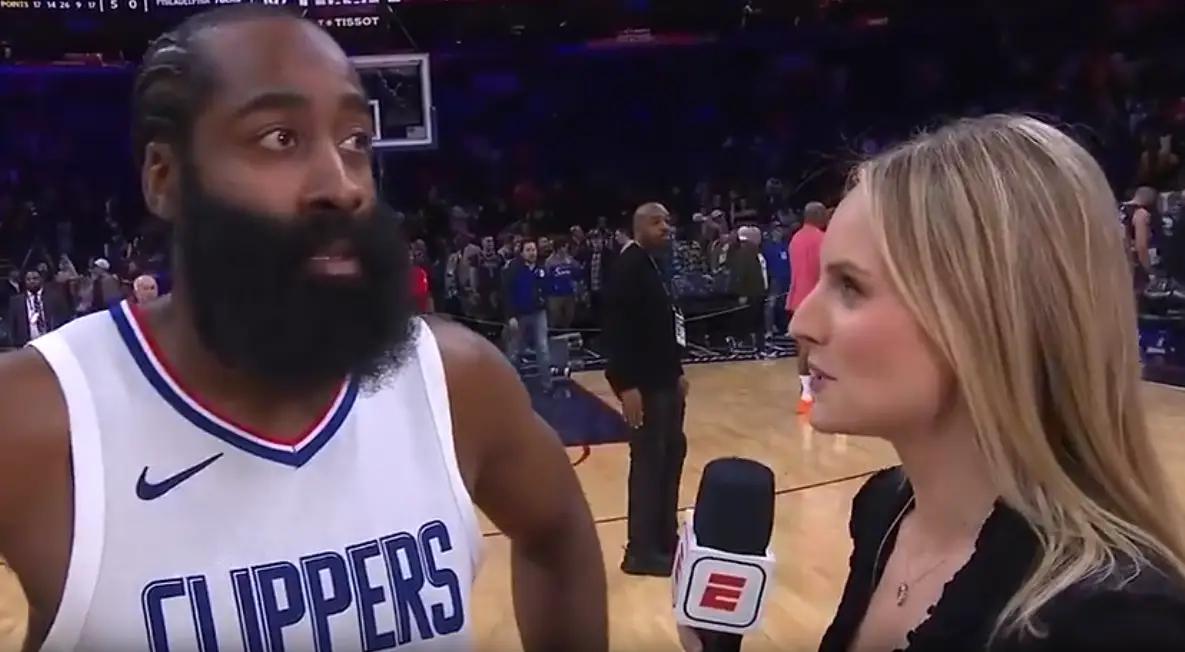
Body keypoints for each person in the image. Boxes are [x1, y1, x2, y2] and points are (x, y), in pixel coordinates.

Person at [0, 7, 607, 651]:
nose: (343, 186)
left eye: (355, 141)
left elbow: (558, 532)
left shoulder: (455, 380)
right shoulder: (38, 418)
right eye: (279, 138)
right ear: (164, 177)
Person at [794, 115, 1185, 651]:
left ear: (983, 317)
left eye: (850, 287)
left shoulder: (1117, 622)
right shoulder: (882, 511)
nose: (802, 323)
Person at [604, 202, 688, 577]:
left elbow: (661, 326)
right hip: (645, 387)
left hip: (664, 381)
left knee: (670, 457)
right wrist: (625, 386)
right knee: (648, 466)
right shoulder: (628, 268)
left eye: (667, 221)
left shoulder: (653, 264)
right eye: (657, 222)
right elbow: (617, 333)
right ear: (639, 228)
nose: (665, 227)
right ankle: (640, 550)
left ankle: (664, 538)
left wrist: (677, 371)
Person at [786, 201, 827, 413]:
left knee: (802, 347)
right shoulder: (822, 239)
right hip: (817, 299)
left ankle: (806, 392)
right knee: (820, 349)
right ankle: (812, 393)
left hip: (797, 298)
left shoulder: (795, 239)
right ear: (817, 216)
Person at [502, 240, 553, 392]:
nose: (532, 253)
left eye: (534, 250)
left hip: (539, 313)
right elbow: (507, 294)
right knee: (514, 351)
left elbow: (547, 289)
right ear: (522, 252)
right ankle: (511, 385)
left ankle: (547, 384)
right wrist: (511, 316)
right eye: (528, 250)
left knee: (543, 348)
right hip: (519, 314)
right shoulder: (513, 269)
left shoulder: (542, 269)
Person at [6, 269, 71, 348]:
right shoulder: (16, 301)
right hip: (26, 345)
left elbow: (64, 319)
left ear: (41, 279)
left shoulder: (54, 297)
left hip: (51, 342)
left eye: (35, 278)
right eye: (28, 279)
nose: (32, 281)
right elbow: (12, 324)